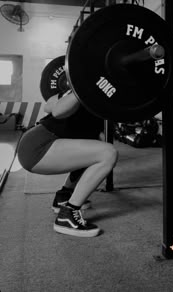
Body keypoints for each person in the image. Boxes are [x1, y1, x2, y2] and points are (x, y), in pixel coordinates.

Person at [17, 88, 118, 238]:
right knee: (108, 153)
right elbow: (55, 110)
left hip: (38, 140)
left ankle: (63, 197)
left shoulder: (99, 97)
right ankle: (67, 215)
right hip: (39, 145)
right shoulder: (80, 89)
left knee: (96, 149)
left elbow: (49, 106)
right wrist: (85, 86)